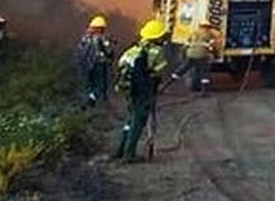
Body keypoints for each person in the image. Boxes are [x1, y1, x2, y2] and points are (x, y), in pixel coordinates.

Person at [114, 19, 171, 162]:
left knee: (130, 118)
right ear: (157, 37)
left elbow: (121, 64)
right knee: (138, 121)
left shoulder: (133, 49)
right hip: (143, 90)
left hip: (127, 88)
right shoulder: (156, 51)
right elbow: (160, 70)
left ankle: (120, 150)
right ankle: (129, 155)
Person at [172, 19, 221, 95]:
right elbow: (211, 47)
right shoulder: (208, 35)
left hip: (190, 54)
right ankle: (204, 92)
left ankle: (168, 83)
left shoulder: (193, 33)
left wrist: (183, 53)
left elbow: (186, 44)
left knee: (183, 69)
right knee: (204, 72)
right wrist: (216, 54)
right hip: (202, 55)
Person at [75, 15, 115, 106]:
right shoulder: (102, 38)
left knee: (90, 83)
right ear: (101, 28)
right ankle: (94, 100)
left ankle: (89, 99)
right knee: (100, 84)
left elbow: (79, 50)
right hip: (99, 64)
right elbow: (108, 51)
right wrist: (110, 55)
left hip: (86, 64)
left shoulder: (85, 37)